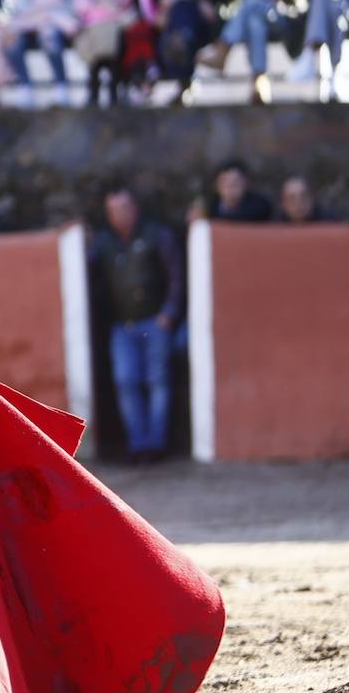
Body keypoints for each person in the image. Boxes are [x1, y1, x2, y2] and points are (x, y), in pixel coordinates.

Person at [88, 186, 184, 464]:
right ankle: (138, 445)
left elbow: (176, 276)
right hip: (122, 325)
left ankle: (155, 445)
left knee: (157, 381)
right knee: (126, 381)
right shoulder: (104, 242)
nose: (120, 215)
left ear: (135, 209)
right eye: (114, 211)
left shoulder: (157, 234)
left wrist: (168, 313)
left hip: (155, 322)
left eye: (124, 208)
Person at [195, 0, 298, 104]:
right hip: (255, 15)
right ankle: (259, 79)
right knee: (255, 23)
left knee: (252, 1)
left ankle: (223, 48)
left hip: (283, 13)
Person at [72, 0, 136, 106]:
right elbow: (79, 7)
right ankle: (93, 98)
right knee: (95, 69)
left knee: (114, 69)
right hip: (94, 38)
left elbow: (126, 7)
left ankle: (114, 98)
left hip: (113, 37)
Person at [189, 158, 273, 222]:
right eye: (225, 182)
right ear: (216, 186)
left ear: (246, 184)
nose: (231, 187)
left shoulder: (259, 207)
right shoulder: (210, 207)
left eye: (236, 182)